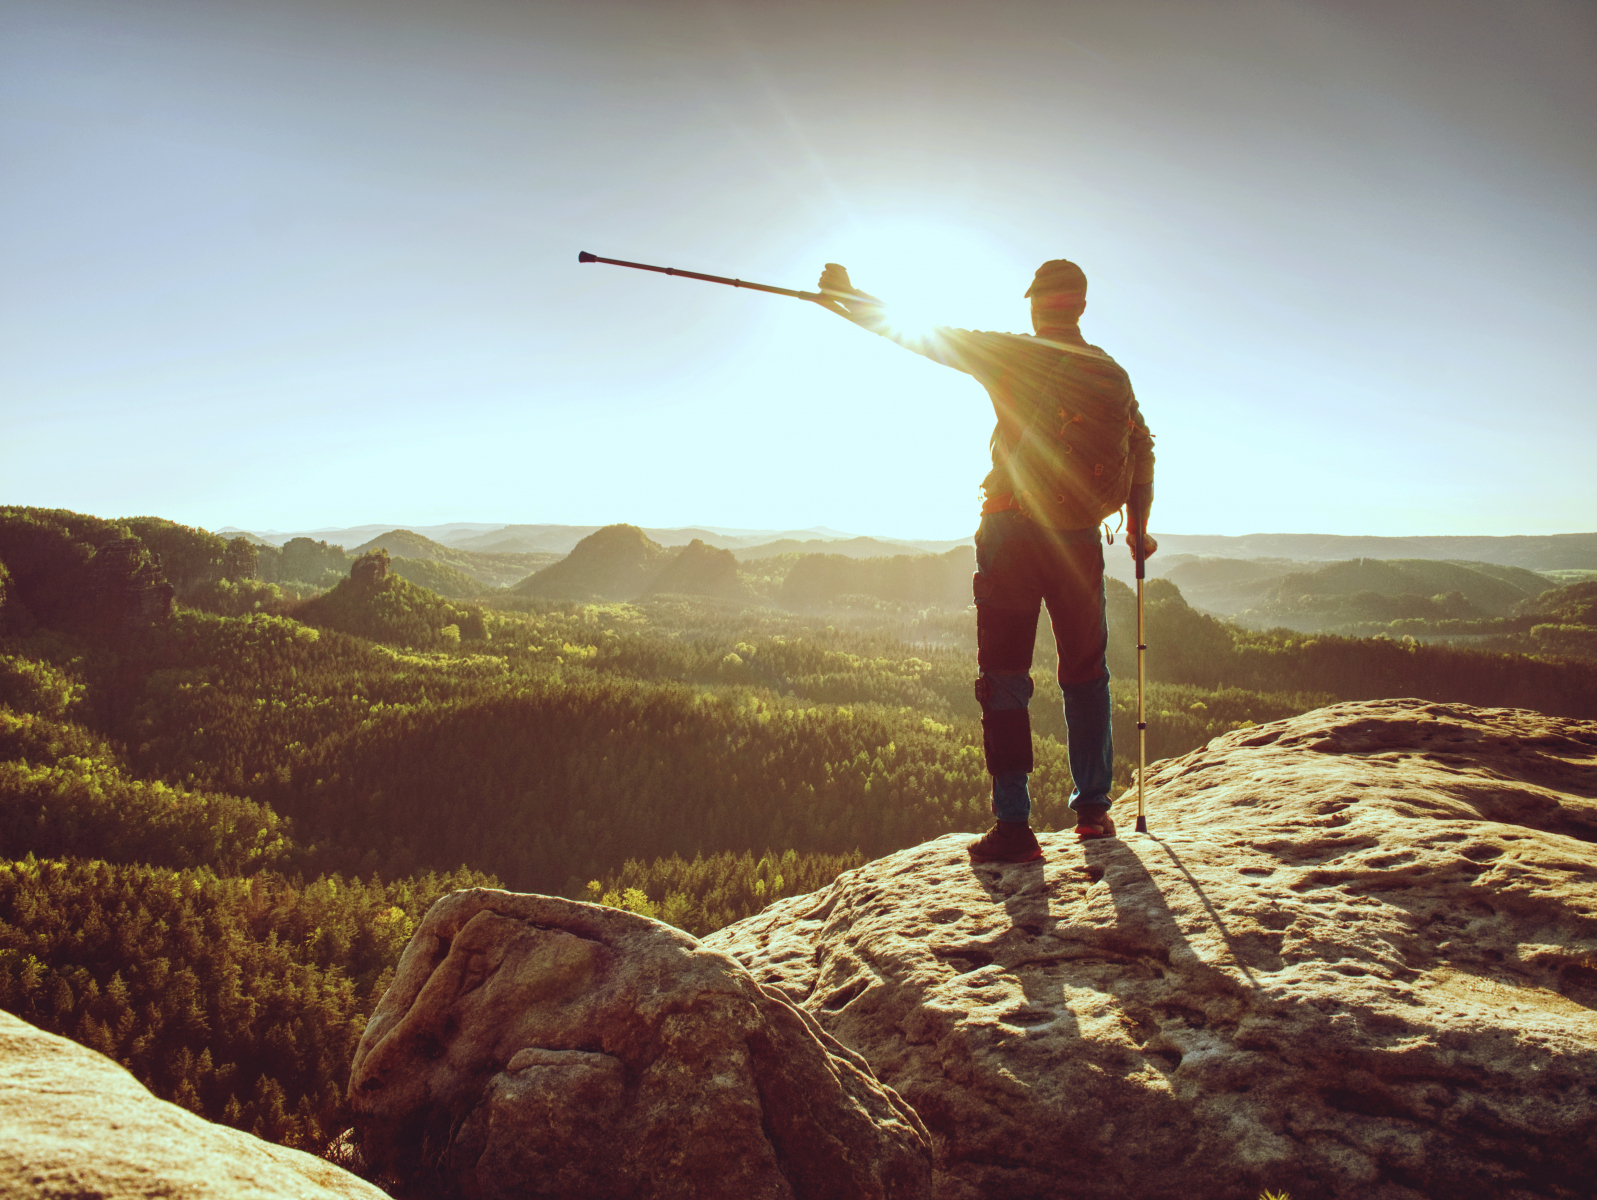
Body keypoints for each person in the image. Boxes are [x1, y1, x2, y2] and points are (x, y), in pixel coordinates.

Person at [815, 258, 1155, 862]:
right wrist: (1138, 528)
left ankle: (1015, 826)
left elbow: (922, 334)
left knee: (1004, 675)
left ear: (1034, 305)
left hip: (1011, 533)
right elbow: (1140, 446)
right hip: (1078, 537)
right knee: (1086, 671)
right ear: (1079, 307)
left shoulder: (1014, 354)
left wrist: (846, 298)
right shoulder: (1112, 373)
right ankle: (1095, 812)